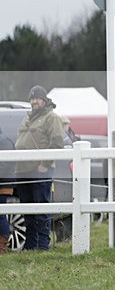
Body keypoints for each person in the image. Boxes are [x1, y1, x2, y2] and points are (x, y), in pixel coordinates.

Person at [14, 85, 65, 250]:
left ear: (44, 100)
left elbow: (57, 143)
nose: (34, 101)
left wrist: (45, 163)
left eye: (37, 98)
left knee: (41, 209)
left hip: (40, 170)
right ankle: (30, 245)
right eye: (32, 98)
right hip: (22, 170)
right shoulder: (27, 118)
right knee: (27, 210)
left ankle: (43, 246)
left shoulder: (51, 117)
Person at [0, 127, 15, 253]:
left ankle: (2, 246)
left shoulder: (4, 141)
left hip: (3, 184)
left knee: (0, 215)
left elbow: (4, 165)